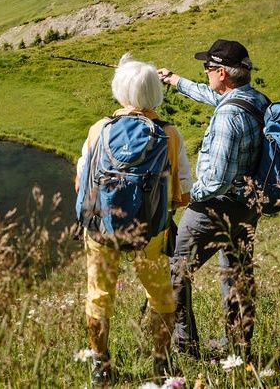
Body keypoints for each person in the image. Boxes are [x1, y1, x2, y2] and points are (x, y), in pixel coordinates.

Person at [76, 54, 193, 386]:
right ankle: (162, 363)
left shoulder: (99, 129)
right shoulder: (170, 134)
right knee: (161, 295)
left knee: (98, 294)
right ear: (156, 93)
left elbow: (82, 181)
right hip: (150, 229)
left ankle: (101, 367)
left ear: (120, 91)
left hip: (100, 228)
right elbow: (183, 193)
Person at [157, 39, 269, 360]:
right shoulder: (254, 100)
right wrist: (175, 80)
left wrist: (186, 196)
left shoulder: (226, 119)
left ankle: (186, 346)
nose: (205, 73)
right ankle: (239, 349)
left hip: (213, 208)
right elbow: (213, 97)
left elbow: (216, 180)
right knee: (237, 275)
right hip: (248, 206)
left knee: (175, 272)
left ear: (221, 72)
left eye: (208, 68)